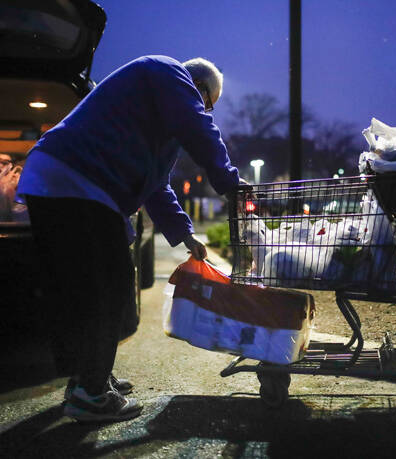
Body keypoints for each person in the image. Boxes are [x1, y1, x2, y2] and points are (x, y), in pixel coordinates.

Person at [16, 56, 244, 423]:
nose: (205, 112)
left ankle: (87, 379)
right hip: (78, 181)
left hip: (63, 178)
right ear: (197, 88)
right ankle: (91, 392)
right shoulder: (167, 71)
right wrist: (230, 183)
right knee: (110, 286)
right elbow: (198, 127)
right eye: (207, 104)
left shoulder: (152, 116)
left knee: (85, 287)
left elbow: (156, 185)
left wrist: (186, 235)